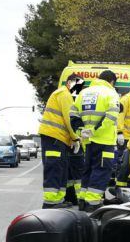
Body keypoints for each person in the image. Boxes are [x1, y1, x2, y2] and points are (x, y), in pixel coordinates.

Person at [70, 70, 121, 212]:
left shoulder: (83, 93)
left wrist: (81, 131)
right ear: (112, 81)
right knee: (101, 170)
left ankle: (83, 200)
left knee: (88, 169)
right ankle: (92, 202)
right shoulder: (111, 93)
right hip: (104, 140)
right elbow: (112, 116)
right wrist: (96, 130)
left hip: (87, 141)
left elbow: (73, 114)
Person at [38, 74, 81, 209]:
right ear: (69, 83)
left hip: (58, 138)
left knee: (61, 168)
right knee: (55, 168)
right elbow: (70, 119)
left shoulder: (63, 94)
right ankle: (50, 202)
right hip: (54, 137)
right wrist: (75, 138)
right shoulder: (64, 94)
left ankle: (58, 200)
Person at [65, 76, 86, 206]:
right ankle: (79, 199)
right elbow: (70, 121)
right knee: (77, 173)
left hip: (71, 142)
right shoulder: (69, 99)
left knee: (70, 174)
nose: (79, 89)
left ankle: (70, 197)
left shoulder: (74, 99)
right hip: (74, 142)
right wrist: (75, 138)